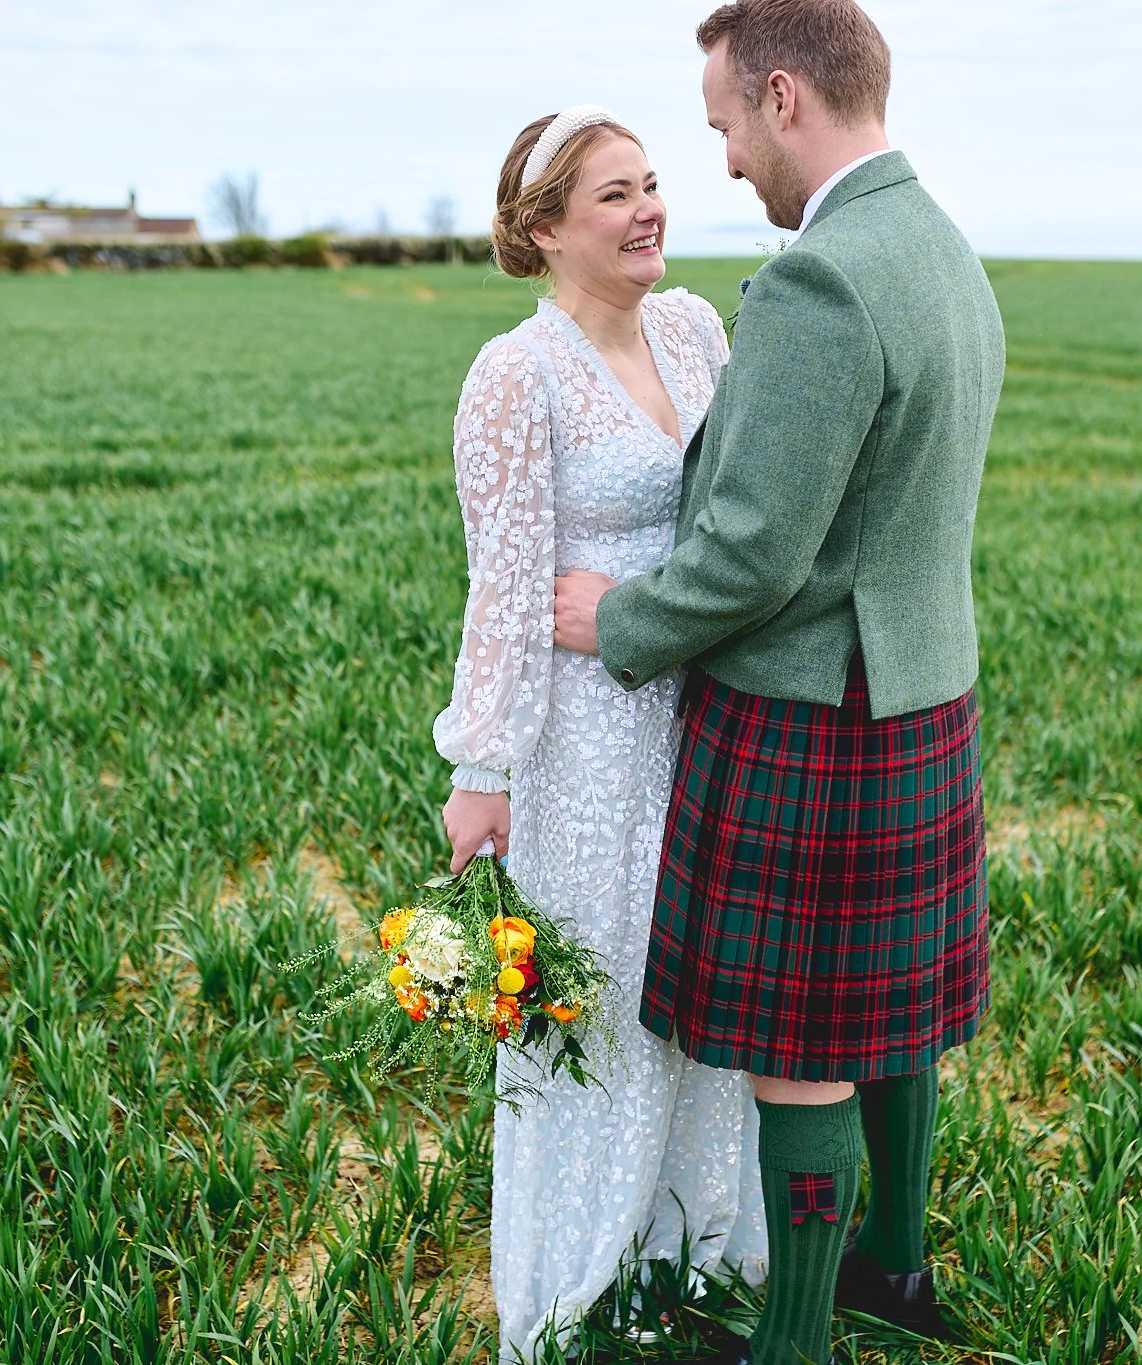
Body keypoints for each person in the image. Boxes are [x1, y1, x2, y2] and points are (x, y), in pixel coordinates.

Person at [552, 1, 1008, 1361]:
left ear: (787, 97)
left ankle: (795, 1343)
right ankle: (893, 1268)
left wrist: (618, 620)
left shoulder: (824, 278)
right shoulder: (939, 244)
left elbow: (753, 553)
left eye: (726, 126)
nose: (731, 162)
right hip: (920, 685)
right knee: (893, 1013)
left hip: (818, 706)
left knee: (805, 1038)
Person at [432, 107, 767, 1363]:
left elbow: (738, 518)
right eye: (616, 196)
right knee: (591, 1008)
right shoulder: (512, 374)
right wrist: (480, 769)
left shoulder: (693, 327)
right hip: (584, 744)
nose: (650, 211)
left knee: (697, 999)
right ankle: (576, 1298)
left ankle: (689, 1269)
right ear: (543, 230)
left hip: (702, 709)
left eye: (653, 185)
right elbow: (503, 588)